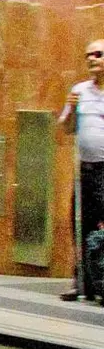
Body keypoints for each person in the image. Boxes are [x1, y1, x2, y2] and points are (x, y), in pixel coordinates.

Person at [58, 39, 104, 302]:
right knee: (81, 224)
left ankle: (102, 279)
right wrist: (73, 108)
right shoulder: (79, 91)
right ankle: (82, 281)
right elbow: (66, 128)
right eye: (88, 55)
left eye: (97, 54)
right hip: (85, 171)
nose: (91, 59)